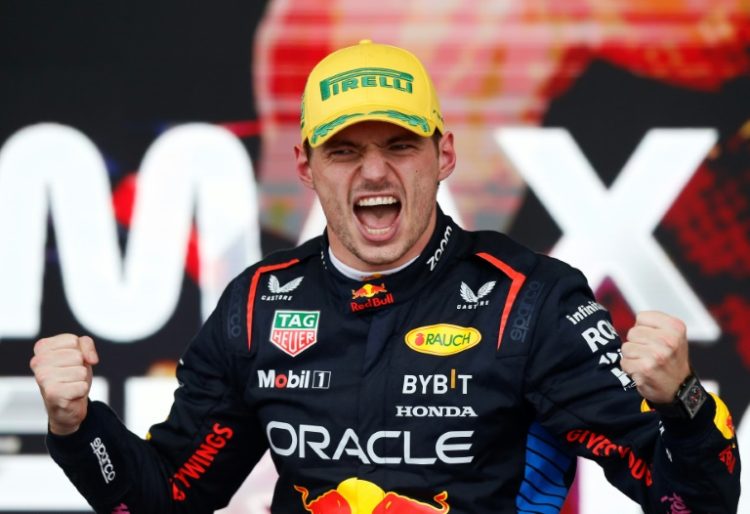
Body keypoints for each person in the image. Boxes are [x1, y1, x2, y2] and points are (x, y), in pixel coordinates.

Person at [30, 40, 740, 514]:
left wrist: (680, 402)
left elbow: (692, 504)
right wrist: (74, 424)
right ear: (307, 167)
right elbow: (164, 500)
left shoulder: (532, 303)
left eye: (400, 144)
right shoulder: (258, 304)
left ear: (444, 155)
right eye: (345, 150)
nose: (374, 172)